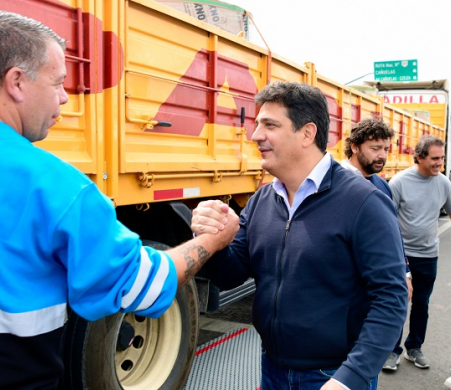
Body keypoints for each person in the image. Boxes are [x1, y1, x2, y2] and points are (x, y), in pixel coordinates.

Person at [0, 11, 239, 389]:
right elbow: (142, 287)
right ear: (16, 82)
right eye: (58, 83)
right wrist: (212, 241)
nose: (65, 98)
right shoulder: (56, 186)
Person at [191, 81, 408, 390]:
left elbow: (391, 297)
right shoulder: (262, 199)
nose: (255, 136)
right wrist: (212, 239)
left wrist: (350, 379)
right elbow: (232, 274)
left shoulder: (364, 202)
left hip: (333, 375)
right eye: (256, 125)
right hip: (272, 368)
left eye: (270, 125)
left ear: (307, 133)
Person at [341, 118, 414, 371]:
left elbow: (393, 234)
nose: (382, 155)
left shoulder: (382, 184)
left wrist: (404, 272)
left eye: (385, 148)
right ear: (354, 146)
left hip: (372, 284)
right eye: (375, 148)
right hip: (342, 289)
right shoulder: (335, 182)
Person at [388, 134, 451, 370]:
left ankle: (414, 348)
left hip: (428, 256)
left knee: (421, 304)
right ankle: (391, 351)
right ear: (419, 157)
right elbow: (387, 222)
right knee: (397, 302)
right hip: (401, 256)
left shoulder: (444, 182)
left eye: (442, 158)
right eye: (435, 158)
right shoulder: (399, 182)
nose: (439, 163)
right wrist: (399, 262)